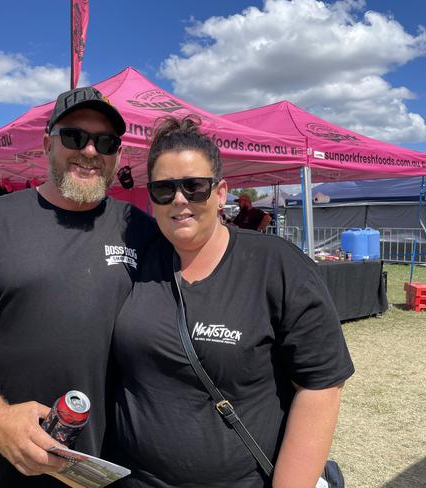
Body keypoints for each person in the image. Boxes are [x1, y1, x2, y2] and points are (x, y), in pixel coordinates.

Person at [0, 86, 157, 487]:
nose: (90, 151)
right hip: (7, 462)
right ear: (46, 145)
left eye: (105, 142)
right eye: (74, 137)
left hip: (112, 464)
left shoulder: (139, 229)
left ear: (118, 156)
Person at [108, 116, 354, 488]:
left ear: (221, 192)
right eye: (164, 189)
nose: (179, 200)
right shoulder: (134, 261)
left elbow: (320, 386)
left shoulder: (276, 264)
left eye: (194, 187)